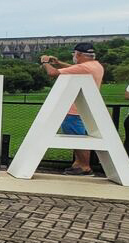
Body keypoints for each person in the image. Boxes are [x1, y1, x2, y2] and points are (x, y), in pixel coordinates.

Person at [40, 42, 105, 175]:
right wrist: (58, 62)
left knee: (77, 138)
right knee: (81, 138)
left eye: (74, 54)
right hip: (85, 108)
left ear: (79, 54)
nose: (74, 57)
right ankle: (78, 164)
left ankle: (85, 167)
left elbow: (52, 73)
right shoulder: (96, 66)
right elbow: (74, 68)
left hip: (74, 110)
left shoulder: (85, 68)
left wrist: (45, 62)